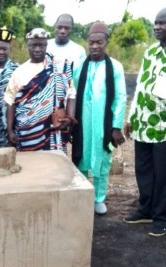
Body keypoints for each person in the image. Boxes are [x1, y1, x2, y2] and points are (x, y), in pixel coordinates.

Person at [70, 22, 126, 215]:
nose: (94, 46)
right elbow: (72, 93)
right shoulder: (78, 66)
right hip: (83, 123)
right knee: (82, 156)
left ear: (106, 42)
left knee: (102, 160)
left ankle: (99, 198)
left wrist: (116, 127)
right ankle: (83, 196)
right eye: (91, 42)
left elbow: (120, 98)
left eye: (99, 42)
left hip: (104, 123)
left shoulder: (115, 67)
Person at [123, 7, 166, 236]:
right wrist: (131, 118)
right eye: (156, 23)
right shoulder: (150, 52)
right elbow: (140, 86)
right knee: (143, 169)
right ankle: (146, 209)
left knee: (163, 174)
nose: (157, 27)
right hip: (143, 123)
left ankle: (161, 217)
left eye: (162, 23)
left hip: (163, 128)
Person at [5, 28, 75, 152]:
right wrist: (10, 130)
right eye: (33, 45)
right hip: (27, 133)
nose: (37, 49)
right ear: (27, 45)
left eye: (41, 45)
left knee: (55, 166)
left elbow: (71, 94)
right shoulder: (19, 72)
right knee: (31, 167)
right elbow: (10, 101)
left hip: (54, 131)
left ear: (46, 45)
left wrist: (69, 118)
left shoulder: (59, 67)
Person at [0, 26, 19, 147]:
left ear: (10, 49)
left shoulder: (18, 70)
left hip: (10, 127)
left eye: (4, 49)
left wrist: (11, 128)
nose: (1, 52)